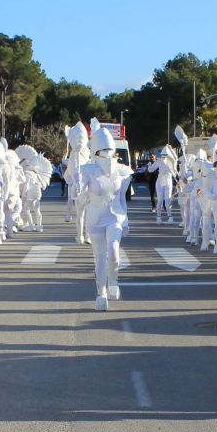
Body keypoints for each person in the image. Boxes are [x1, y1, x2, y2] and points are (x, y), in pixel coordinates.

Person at [80, 125, 133, 310]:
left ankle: (114, 280)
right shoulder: (88, 170)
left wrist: (125, 220)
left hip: (115, 216)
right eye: (103, 150)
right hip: (95, 217)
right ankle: (101, 293)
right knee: (100, 258)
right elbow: (80, 195)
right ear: (96, 151)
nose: (107, 153)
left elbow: (122, 199)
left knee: (114, 253)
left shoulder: (123, 171)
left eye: (110, 149)